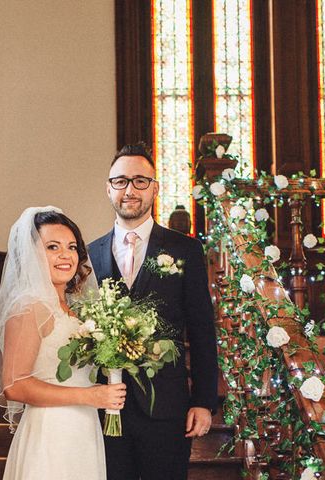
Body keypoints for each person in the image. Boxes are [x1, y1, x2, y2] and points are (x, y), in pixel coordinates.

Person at [88, 143, 218, 480]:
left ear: (155, 188)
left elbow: (202, 329)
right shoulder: (89, 254)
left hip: (168, 407)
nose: (129, 190)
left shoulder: (185, 249)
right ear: (108, 188)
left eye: (140, 181)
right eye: (120, 181)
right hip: (105, 408)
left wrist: (204, 401)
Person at [0, 207, 126, 480]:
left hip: (84, 431)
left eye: (72, 247)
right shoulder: (28, 307)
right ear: (31, 255)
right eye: (53, 247)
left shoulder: (76, 312)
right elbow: (14, 385)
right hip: (50, 435)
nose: (66, 255)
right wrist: (90, 396)